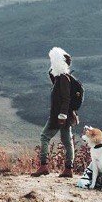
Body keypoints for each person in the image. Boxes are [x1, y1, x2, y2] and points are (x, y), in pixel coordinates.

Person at [31, 47, 84, 178]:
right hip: (65, 115)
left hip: (59, 115)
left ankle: (43, 166)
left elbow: (66, 98)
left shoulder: (64, 79)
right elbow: (51, 74)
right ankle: (68, 169)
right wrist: (55, 66)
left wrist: (62, 115)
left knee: (45, 136)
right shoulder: (61, 78)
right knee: (67, 141)